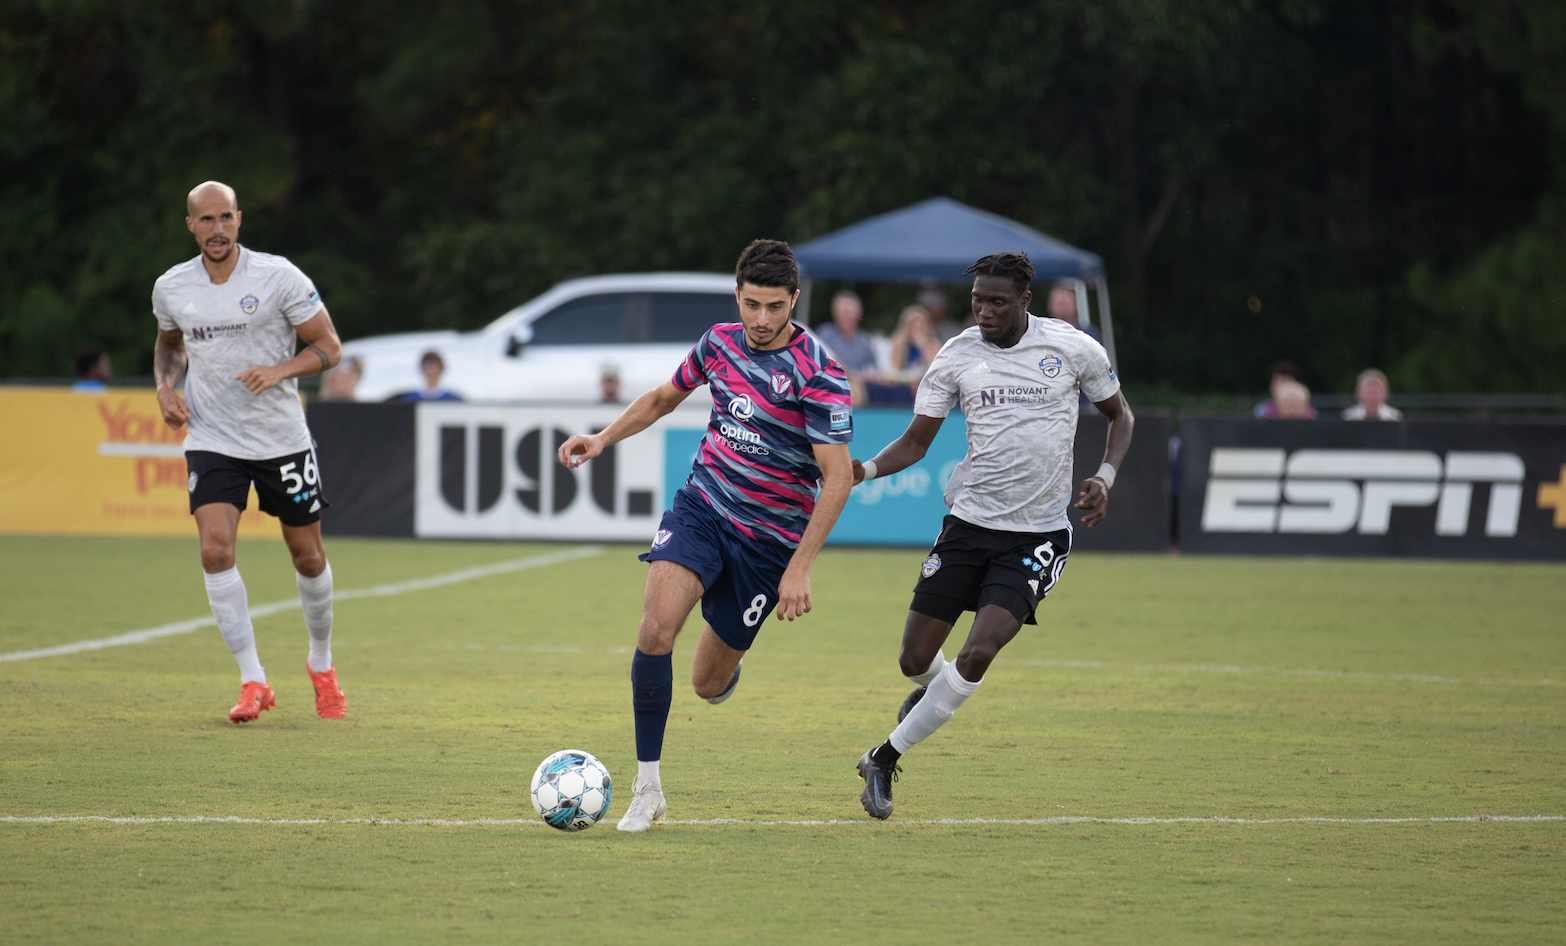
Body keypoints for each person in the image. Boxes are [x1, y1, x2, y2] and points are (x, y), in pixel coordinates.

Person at [555, 239, 855, 832]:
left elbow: (838, 476)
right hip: (703, 508)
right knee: (654, 628)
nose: (761, 320)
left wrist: (799, 566)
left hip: (769, 542)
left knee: (706, 684)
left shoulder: (819, 371)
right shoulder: (717, 342)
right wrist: (603, 438)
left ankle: (726, 667)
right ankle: (648, 789)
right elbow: (665, 398)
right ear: (736, 296)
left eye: (774, 307)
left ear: (795, 299)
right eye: (751, 305)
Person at [850, 251, 1133, 820]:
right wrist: (861, 472)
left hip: (1037, 537)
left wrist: (1104, 477)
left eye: (997, 302)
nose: (983, 311)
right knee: (914, 659)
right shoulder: (955, 356)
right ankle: (933, 695)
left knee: (978, 651)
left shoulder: (1073, 349)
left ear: (1024, 301)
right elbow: (915, 443)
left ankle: (883, 757)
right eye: (977, 300)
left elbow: (1121, 416)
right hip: (968, 525)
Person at [151, 180, 347, 724]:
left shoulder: (278, 277)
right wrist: (166, 389)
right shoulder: (171, 287)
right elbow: (169, 346)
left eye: (226, 218)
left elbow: (329, 348)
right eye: (206, 220)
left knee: (307, 557)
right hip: (212, 437)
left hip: (281, 438)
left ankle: (322, 664)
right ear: (190, 225)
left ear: (240, 220)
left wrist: (280, 370)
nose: (217, 230)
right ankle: (253, 679)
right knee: (215, 551)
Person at [813, 290, 881, 406]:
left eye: (849, 312)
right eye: (842, 312)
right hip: (831, 386)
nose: (846, 316)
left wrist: (866, 375)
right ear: (834, 314)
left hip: (860, 389)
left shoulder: (864, 339)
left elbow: (872, 367)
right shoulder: (825, 335)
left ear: (859, 313)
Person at [397, 350, 462, 401]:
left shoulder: (450, 399)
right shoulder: (411, 398)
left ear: (440, 369)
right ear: (422, 369)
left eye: (434, 367)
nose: (431, 372)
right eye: (427, 367)